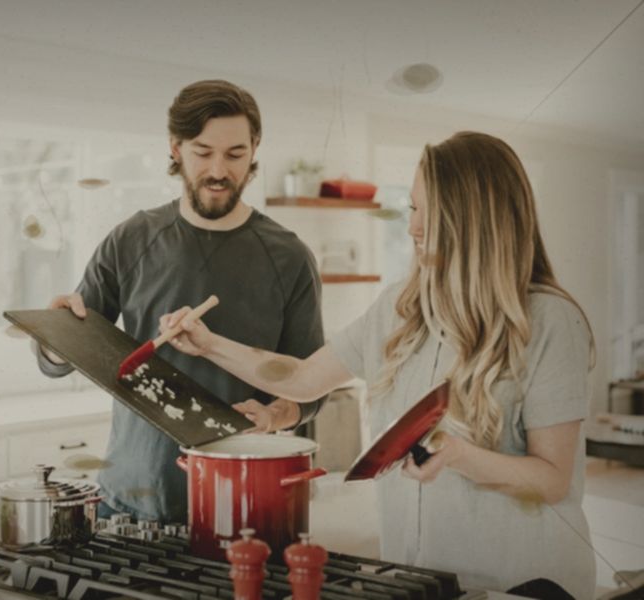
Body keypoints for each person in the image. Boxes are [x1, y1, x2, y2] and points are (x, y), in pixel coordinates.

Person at [162, 131, 596, 598]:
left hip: (522, 583)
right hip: (422, 579)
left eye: (430, 211)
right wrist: (209, 345)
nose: (413, 227)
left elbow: (553, 479)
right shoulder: (399, 308)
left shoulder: (550, 320)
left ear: (475, 218)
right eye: (411, 208)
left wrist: (461, 457)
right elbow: (305, 378)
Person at [36, 79, 326, 524]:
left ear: (254, 150)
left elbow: (311, 387)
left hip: (242, 502)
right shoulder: (131, 239)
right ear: (175, 148)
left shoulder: (289, 257)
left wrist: (272, 414)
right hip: (130, 498)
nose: (218, 170)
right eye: (202, 152)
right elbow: (65, 352)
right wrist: (54, 337)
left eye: (235, 154)